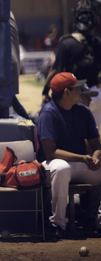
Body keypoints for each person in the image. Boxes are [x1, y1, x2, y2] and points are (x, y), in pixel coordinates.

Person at [37, 72, 101, 240]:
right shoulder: (48, 113)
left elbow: (96, 144)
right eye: (77, 88)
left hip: (80, 164)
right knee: (62, 167)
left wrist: (96, 157)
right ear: (66, 92)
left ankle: (92, 217)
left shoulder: (83, 111)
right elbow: (50, 152)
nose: (81, 90)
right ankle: (57, 224)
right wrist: (82, 158)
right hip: (50, 166)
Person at [42, 0, 101, 119]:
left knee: (76, 136)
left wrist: (45, 91)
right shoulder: (98, 43)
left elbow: (55, 71)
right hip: (97, 94)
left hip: (76, 96)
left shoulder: (67, 43)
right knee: (93, 135)